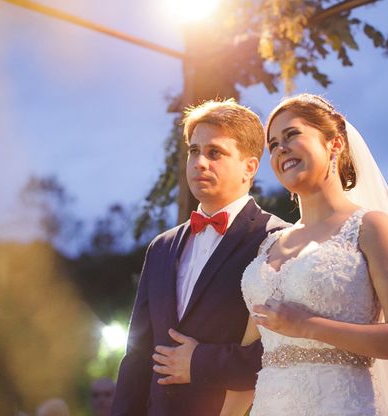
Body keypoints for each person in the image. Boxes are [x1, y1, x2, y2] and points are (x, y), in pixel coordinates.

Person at [241, 94, 388, 415]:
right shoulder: (269, 244)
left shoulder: (370, 227)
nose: (280, 149)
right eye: (273, 144)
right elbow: (250, 342)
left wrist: (308, 325)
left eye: (292, 135)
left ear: (334, 144)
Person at [111, 99, 288, 416]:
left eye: (215, 152)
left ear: (249, 166)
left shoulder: (278, 240)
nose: (200, 162)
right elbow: (137, 354)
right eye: (194, 151)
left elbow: (286, 351)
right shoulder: (161, 247)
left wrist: (200, 361)